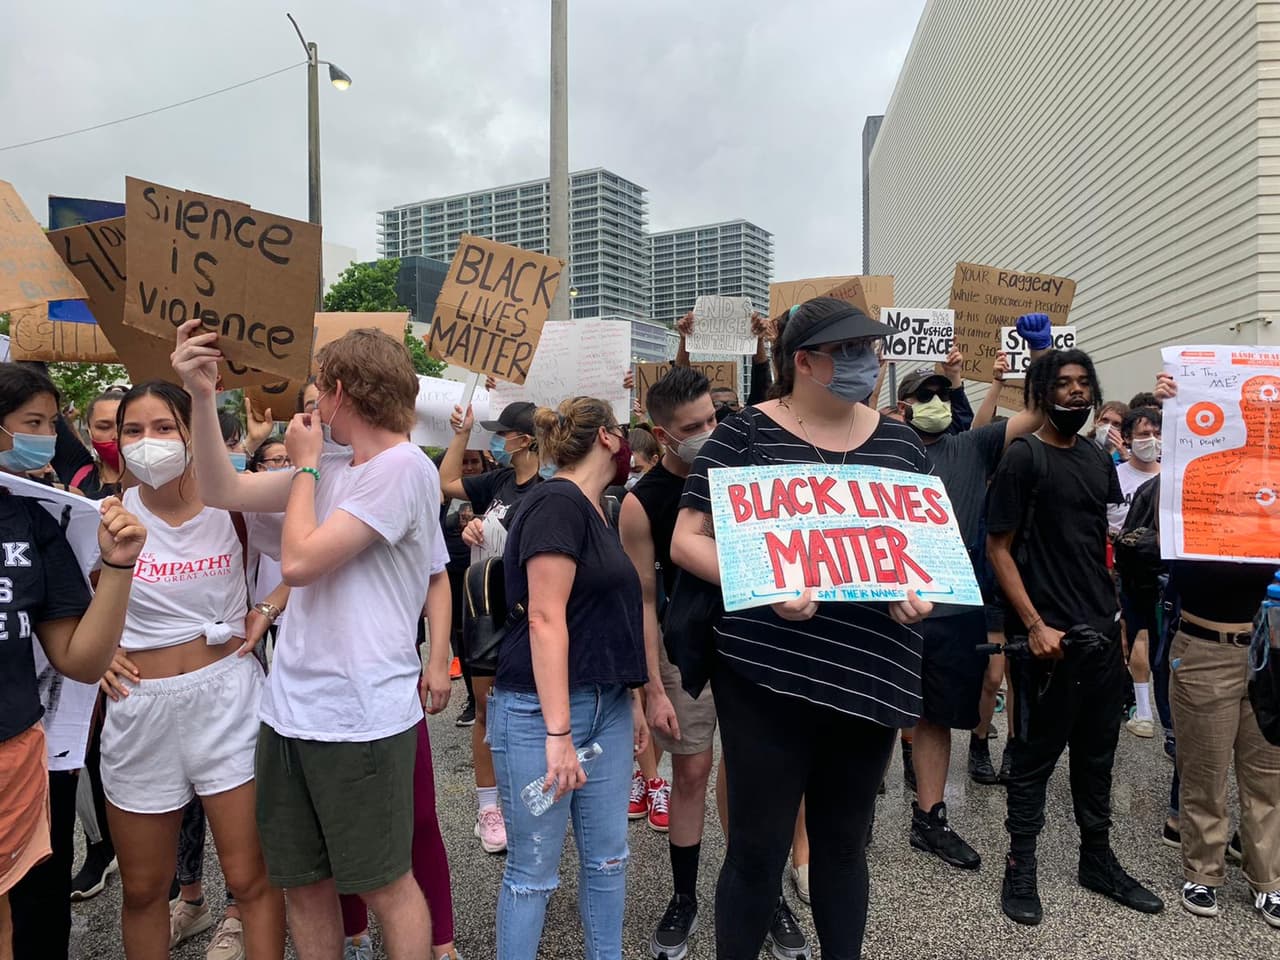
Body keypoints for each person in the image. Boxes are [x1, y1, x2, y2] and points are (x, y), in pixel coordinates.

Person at [670, 297, 934, 960]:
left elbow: (926, 554)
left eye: (868, 349)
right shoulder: (745, 437)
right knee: (757, 850)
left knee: (845, 844)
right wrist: (762, 582)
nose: (863, 364)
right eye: (845, 351)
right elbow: (686, 541)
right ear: (803, 361)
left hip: (871, 671)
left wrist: (917, 594)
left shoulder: (903, 443)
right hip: (767, 677)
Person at [171, 320, 442, 960]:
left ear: (339, 393)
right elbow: (221, 489)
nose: (311, 404)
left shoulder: (402, 467)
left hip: (361, 716)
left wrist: (306, 467)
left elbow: (297, 563)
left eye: (318, 390)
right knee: (305, 884)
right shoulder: (339, 467)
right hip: (292, 711)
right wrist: (203, 397)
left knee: (385, 886)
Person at [96, 381, 285, 960]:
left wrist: (268, 607)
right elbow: (70, 611)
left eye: (162, 428)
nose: (146, 442)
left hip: (228, 701)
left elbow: (307, 560)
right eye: (133, 430)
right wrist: (96, 653)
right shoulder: (101, 515)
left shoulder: (236, 503)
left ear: (190, 431)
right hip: (139, 709)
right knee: (145, 891)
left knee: (253, 881)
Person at [985, 349, 1163, 926]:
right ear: (1042, 392)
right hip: (1047, 643)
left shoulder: (1095, 458)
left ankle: (1097, 860)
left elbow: (1099, 547)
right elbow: (998, 550)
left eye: (1084, 384)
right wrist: (1035, 626)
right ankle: (1022, 867)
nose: (1077, 394)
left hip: (1098, 634)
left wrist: (1114, 623)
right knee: (1034, 762)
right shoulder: (1022, 458)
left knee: (1097, 757)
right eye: (1063, 384)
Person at [487, 395, 648, 960]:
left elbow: (601, 617)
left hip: (602, 706)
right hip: (542, 713)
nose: (630, 444)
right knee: (533, 871)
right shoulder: (557, 503)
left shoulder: (597, 508)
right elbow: (545, 616)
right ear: (607, 436)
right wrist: (559, 735)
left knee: (608, 860)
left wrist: (631, 699)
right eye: (625, 432)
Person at [0, 365, 144, 960]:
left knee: (20, 917)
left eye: (50, 424)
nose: (45, 437)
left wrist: (118, 567)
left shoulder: (35, 520)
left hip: (15, 759)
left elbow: (81, 661)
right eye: (31, 423)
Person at [894, 324, 1049, 872]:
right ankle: (853, 809)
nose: (936, 401)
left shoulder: (970, 446)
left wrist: (1040, 355)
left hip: (951, 605)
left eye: (943, 392)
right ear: (903, 405)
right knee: (871, 711)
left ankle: (929, 817)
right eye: (924, 394)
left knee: (936, 715)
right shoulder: (879, 449)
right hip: (884, 601)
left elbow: (1035, 415)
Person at [1154, 372, 1279, 927]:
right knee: (1204, 772)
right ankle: (1202, 871)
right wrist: (1174, 417)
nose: (1263, 416)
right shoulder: (1199, 472)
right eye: (1253, 405)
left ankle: (1268, 879)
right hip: (1207, 644)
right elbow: (1172, 544)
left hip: (1272, 648)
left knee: (1268, 775)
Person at [620, 366, 731, 959]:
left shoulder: (743, 473)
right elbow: (639, 600)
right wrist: (650, 689)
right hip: (683, 656)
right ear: (662, 435)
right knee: (690, 773)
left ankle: (763, 893)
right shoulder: (642, 505)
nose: (710, 432)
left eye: (714, 418)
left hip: (754, 645)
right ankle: (685, 897)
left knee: (753, 777)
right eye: (694, 427)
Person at [439, 400, 544, 855]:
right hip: (485, 609)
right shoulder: (499, 481)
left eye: (504, 434)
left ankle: (531, 802)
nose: (498, 441)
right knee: (486, 710)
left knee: (532, 714)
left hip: (531, 613)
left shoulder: (551, 487)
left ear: (525, 440)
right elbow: (445, 483)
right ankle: (489, 808)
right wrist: (459, 434)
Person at [1109, 408, 1163, 739]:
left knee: (1161, 641)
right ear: (1128, 438)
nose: (1151, 441)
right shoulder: (1115, 476)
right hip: (1121, 566)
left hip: (1162, 569)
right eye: (1143, 434)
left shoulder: (1172, 475)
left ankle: (1164, 713)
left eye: (1157, 432)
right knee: (1132, 636)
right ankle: (1141, 709)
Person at [69, 386, 128, 499]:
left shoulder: (163, 481)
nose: (116, 435)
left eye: (128, 427)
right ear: (89, 431)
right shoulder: (79, 471)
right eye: (104, 427)